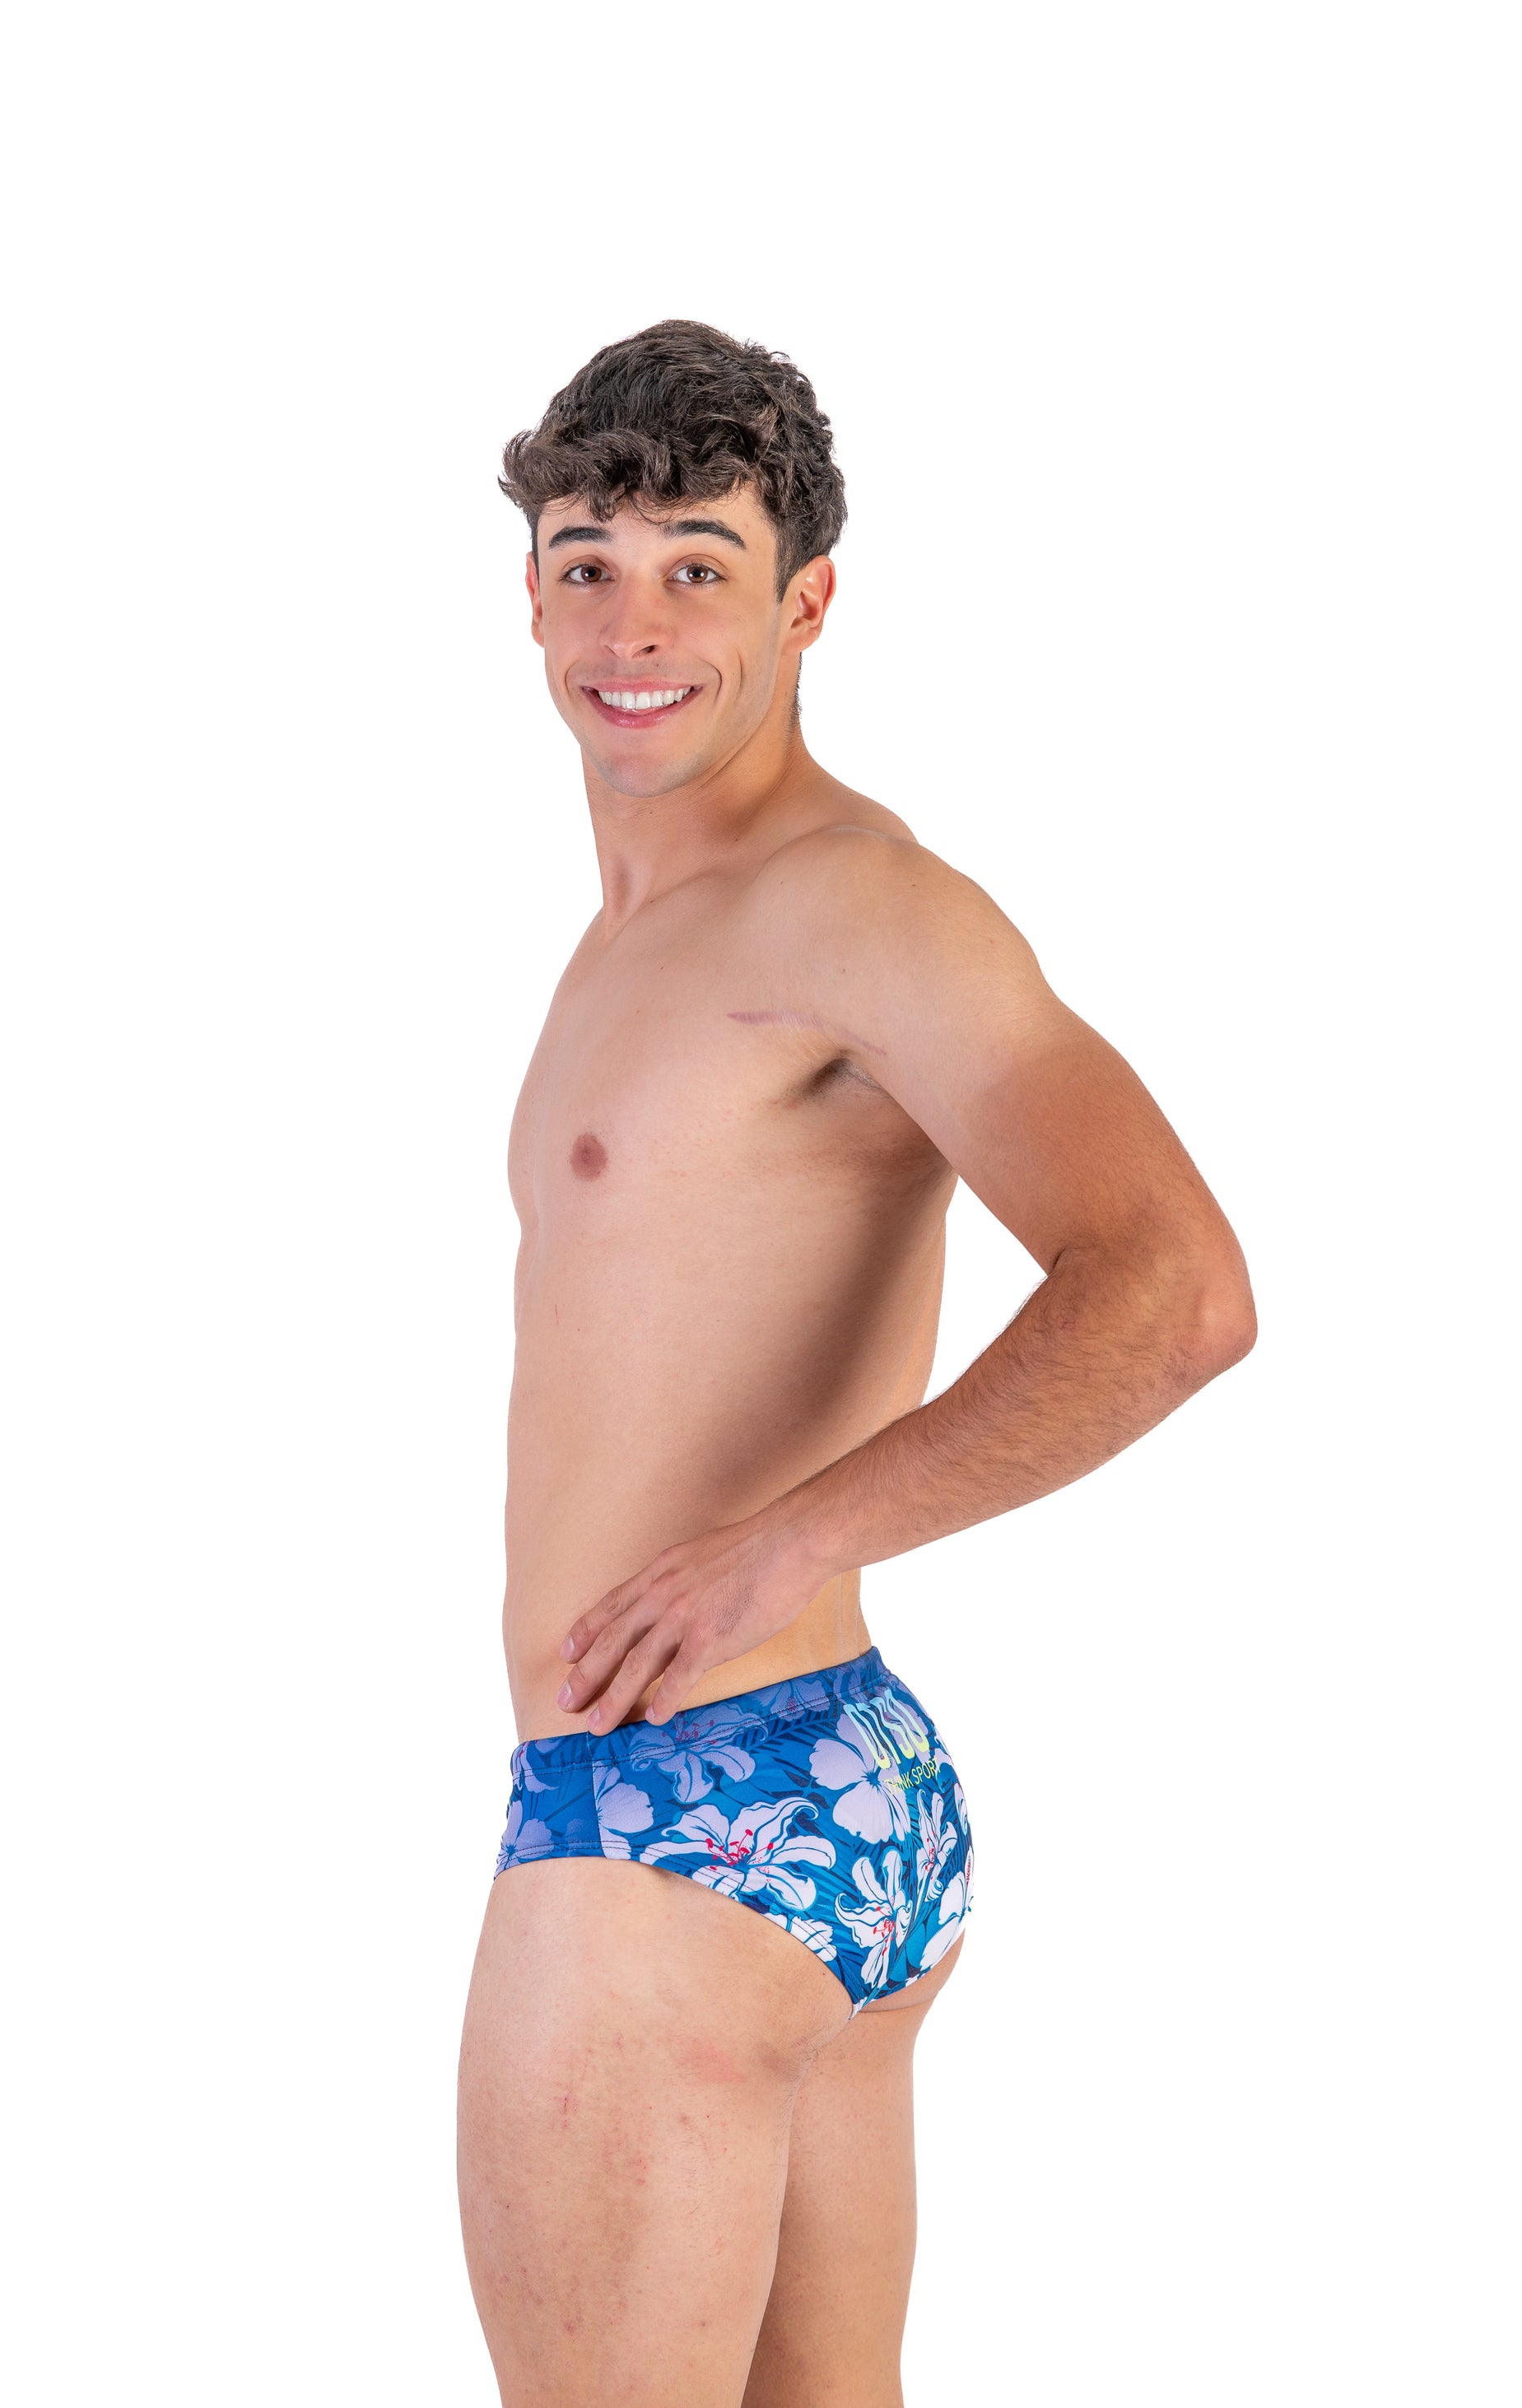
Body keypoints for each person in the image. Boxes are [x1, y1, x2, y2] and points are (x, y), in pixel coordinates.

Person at [457, 320, 1255, 2408]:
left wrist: (782, 1540)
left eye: (697, 568)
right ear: (528, 590)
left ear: (806, 601)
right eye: (587, 561)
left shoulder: (857, 907)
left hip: (671, 1831)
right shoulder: (638, 928)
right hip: (832, 1783)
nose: (632, 626)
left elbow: (1173, 1286)